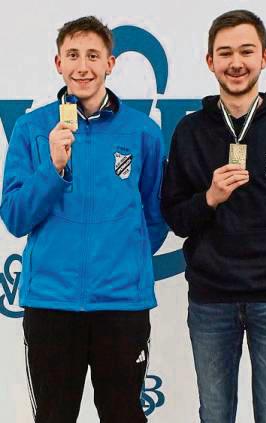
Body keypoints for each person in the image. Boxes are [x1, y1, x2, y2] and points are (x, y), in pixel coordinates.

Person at [0, 16, 167, 423]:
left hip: (122, 306)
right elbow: (16, 217)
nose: (82, 66)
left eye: (93, 56)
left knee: (123, 415)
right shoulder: (32, 128)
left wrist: (123, 260)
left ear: (110, 63)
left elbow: (156, 216)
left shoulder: (143, 131)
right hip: (51, 306)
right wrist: (54, 167)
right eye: (73, 55)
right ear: (58, 63)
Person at [161, 9, 266, 423]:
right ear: (209, 60)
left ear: (264, 57)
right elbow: (176, 217)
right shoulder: (190, 131)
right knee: (214, 414)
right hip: (211, 299)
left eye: (247, 51)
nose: (236, 62)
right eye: (225, 52)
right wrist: (210, 198)